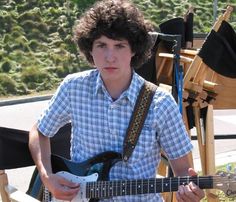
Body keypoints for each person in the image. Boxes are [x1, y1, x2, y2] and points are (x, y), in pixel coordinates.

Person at [28, 0, 205, 201]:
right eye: (102, 45)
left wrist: (190, 192)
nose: (110, 57)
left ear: (134, 50)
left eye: (120, 46)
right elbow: (40, 131)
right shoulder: (73, 88)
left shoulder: (160, 103)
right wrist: (47, 176)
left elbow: (184, 171)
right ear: (90, 49)